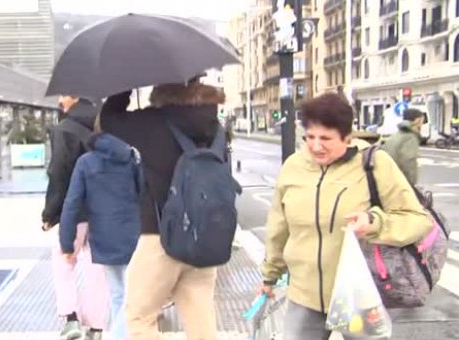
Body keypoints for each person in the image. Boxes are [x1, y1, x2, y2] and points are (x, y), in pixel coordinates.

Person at [258, 93, 433, 340]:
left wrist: (374, 222)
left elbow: (417, 219)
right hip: (304, 295)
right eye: (310, 137)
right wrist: (269, 275)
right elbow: (278, 226)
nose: (316, 146)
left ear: (347, 137)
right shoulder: (293, 167)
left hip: (359, 294)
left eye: (326, 138)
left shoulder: (374, 164)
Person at [100, 78, 226, 339]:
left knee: (138, 317)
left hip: (160, 237)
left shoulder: (153, 121)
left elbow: (108, 120)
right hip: (204, 238)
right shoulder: (215, 126)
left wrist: (126, 81)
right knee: (201, 323)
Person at [59, 127, 142, 340]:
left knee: (117, 294)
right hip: (132, 233)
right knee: (131, 295)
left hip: (103, 236)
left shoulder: (86, 162)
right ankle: (120, 336)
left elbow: (72, 203)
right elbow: (144, 192)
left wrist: (67, 243)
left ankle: (118, 335)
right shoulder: (132, 158)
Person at [42, 95, 108, 340]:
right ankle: (97, 326)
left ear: (74, 96)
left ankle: (71, 318)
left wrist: (50, 213)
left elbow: (58, 173)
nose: (60, 100)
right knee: (97, 267)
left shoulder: (65, 129)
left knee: (63, 259)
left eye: (63, 95)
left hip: (75, 210)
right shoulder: (104, 126)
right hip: (103, 210)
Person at [380, 108, 425, 186]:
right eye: (422, 121)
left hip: (386, 179)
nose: (422, 125)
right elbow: (409, 163)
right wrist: (411, 186)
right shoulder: (410, 138)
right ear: (417, 120)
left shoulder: (398, 135)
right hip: (396, 183)